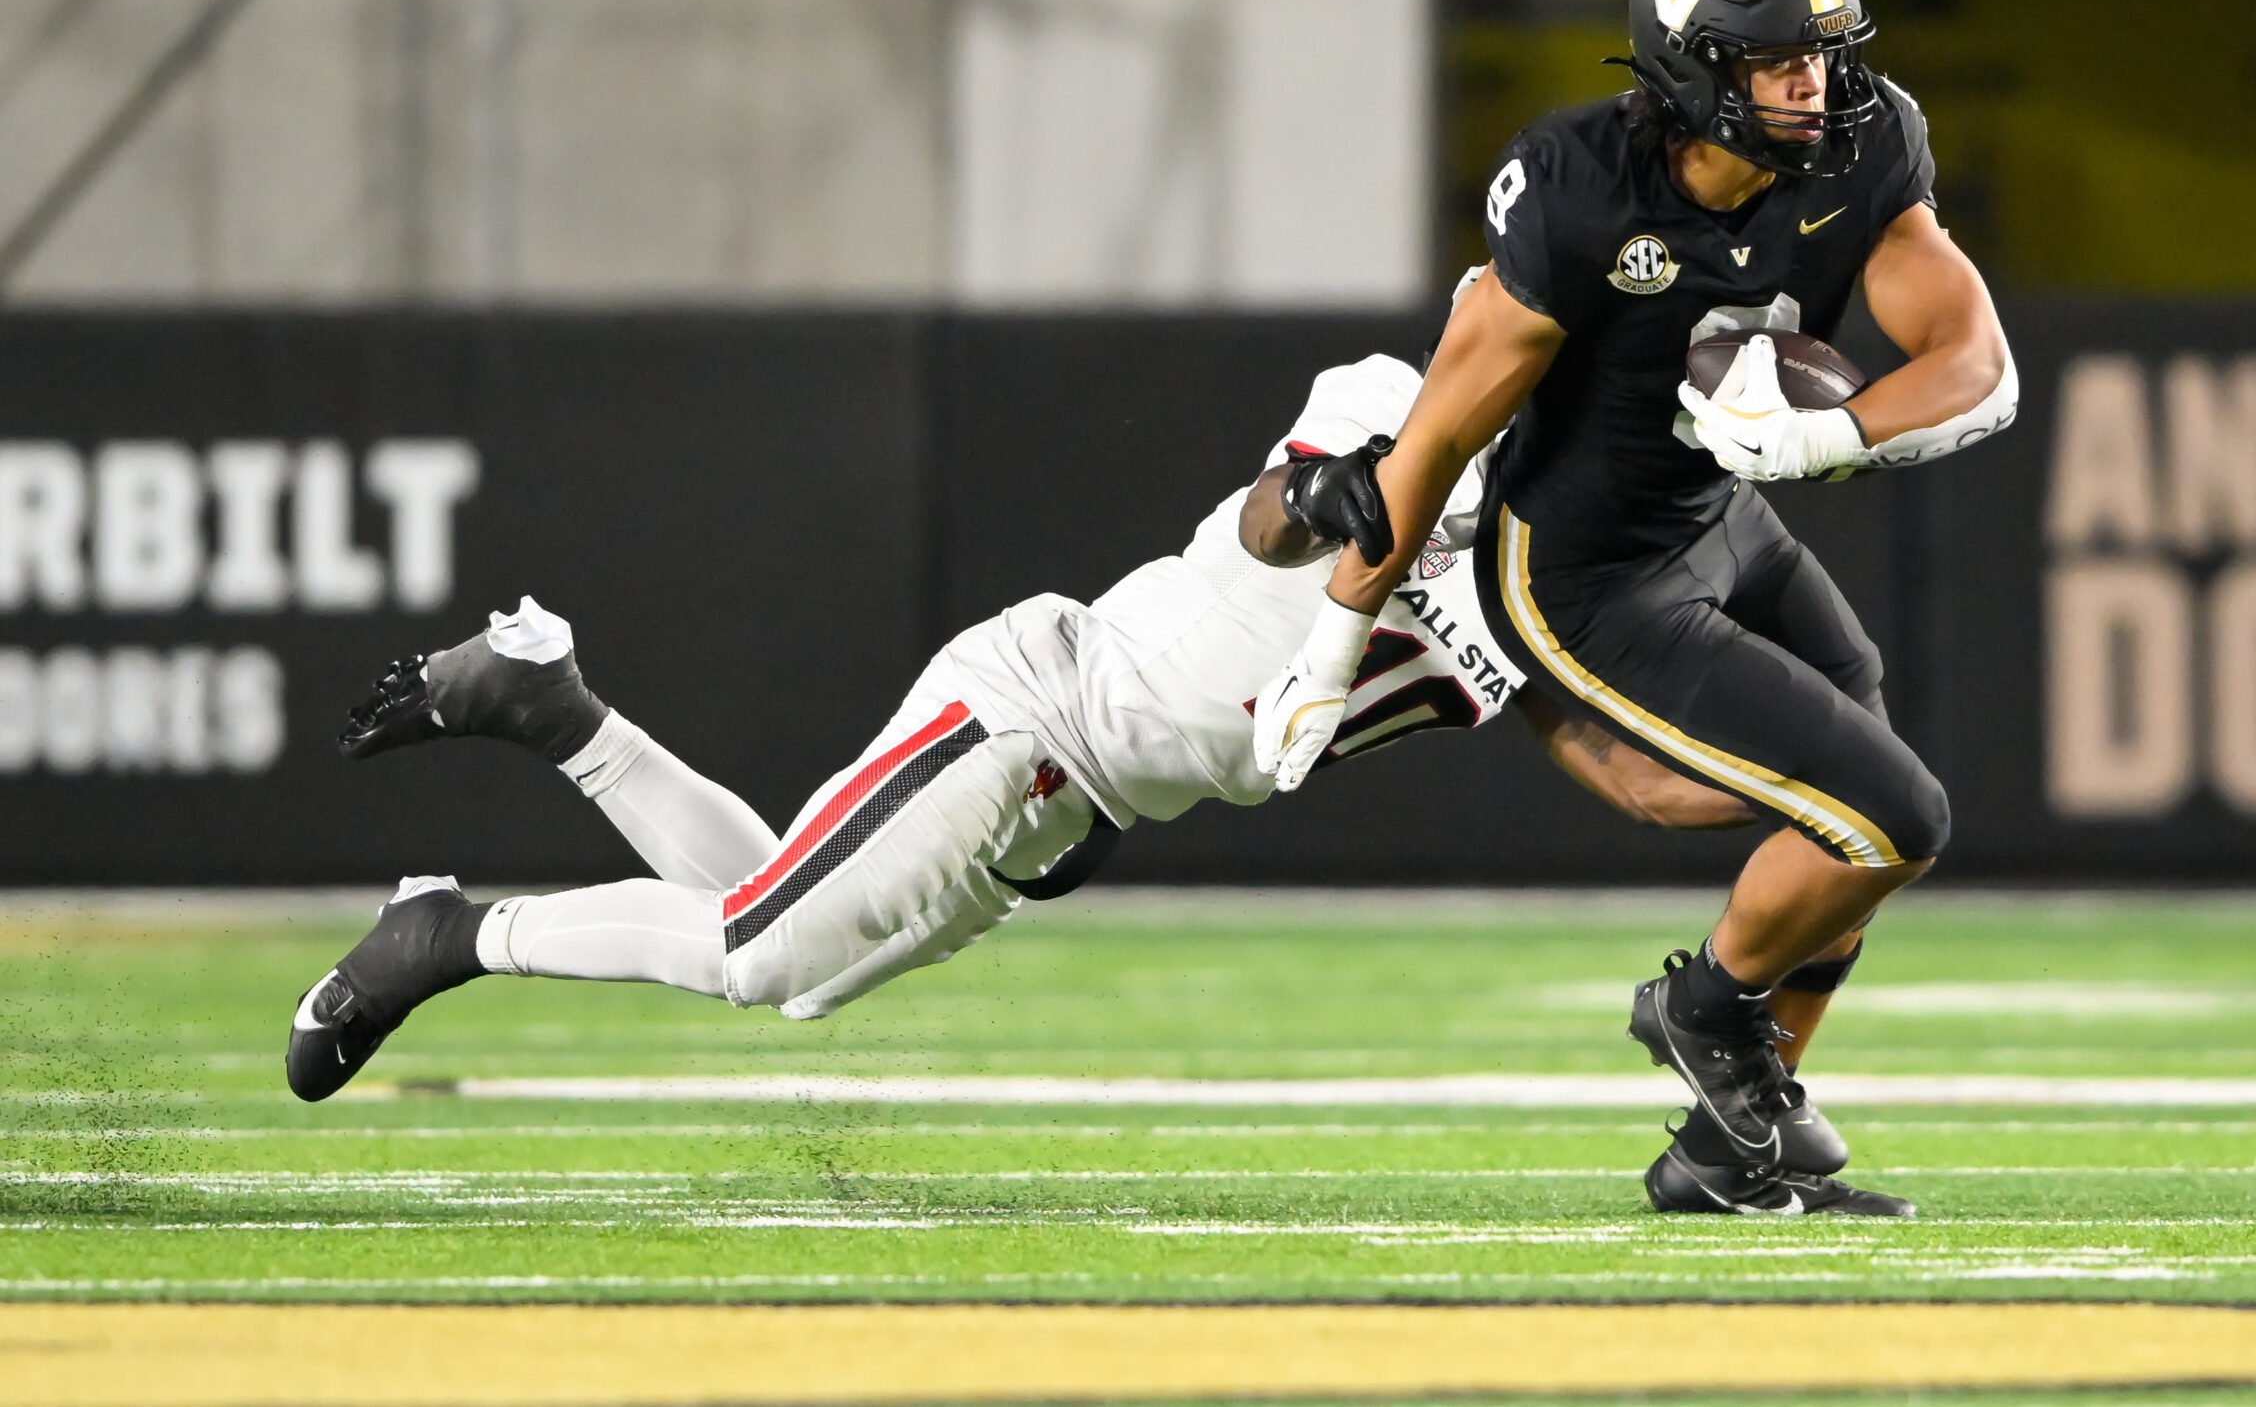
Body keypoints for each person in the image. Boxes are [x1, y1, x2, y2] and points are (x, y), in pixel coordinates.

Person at [1253, 0, 2017, 1217]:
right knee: (1892, 812)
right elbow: (1433, 441)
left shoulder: (1862, 147)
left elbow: (1974, 362)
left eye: (1826, 56)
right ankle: (1704, 1005)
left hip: (1720, 518)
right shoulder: (1578, 195)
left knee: (1855, 790)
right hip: (1583, 577)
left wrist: (1831, 435)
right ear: (1693, 70)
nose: (1817, 86)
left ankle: (1734, 1148)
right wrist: (1332, 641)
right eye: (1781, 62)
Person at [286, 356, 1529, 1102]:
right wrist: (1336, 487)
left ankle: (556, 714)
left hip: (1080, 800)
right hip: (1040, 708)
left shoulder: (1552, 589)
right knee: (760, 947)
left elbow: (1616, 744)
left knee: (788, 951)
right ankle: (446, 936)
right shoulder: (1396, 398)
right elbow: (1271, 521)